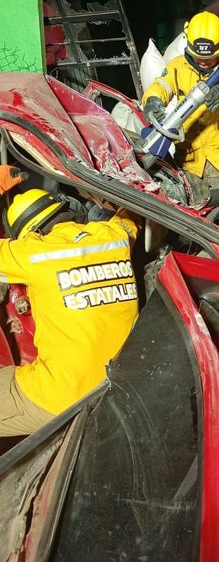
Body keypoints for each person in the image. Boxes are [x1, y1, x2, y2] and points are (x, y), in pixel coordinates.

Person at [0, 167, 139, 437]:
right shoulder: (114, 237)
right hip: (121, 387)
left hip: (62, 397)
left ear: (30, 233)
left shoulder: (32, 253)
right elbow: (130, 215)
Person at [141, 11, 219, 194]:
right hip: (189, 162)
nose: (204, 62)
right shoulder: (177, 66)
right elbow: (162, 85)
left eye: (210, 58)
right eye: (199, 57)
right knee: (194, 208)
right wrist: (153, 100)